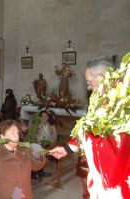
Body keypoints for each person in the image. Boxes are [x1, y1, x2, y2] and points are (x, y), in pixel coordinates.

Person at [49, 56, 130, 198]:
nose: (88, 86)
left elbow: (113, 143)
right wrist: (67, 148)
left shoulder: (121, 104)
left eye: (88, 81)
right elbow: (89, 129)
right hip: (101, 176)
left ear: (101, 77)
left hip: (115, 180)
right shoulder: (100, 100)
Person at [0, 120, 47, 199]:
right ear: (2, 136)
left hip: (24, 195)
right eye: (13, 133)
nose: (16, 136)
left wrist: (37, 156)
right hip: (4, 196)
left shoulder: (24, 150)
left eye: (17, 133)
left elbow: (36, 166)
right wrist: (11, 191)